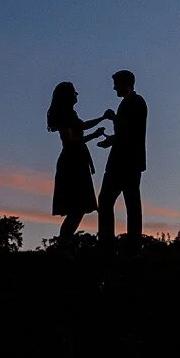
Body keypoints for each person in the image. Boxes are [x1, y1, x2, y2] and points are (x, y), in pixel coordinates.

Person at [46, 81, 106, 250]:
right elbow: (70, 140)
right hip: (72, 164)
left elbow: (82, 126)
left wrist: (101, 118)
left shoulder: (69, 114)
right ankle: (62, 247)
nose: (76, 95)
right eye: (74, 92)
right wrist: (93, 135)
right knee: (76, 209)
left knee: (78, 209)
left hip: (77, 162)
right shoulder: (65, 116)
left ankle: (63, 246)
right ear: (67, 96)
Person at [95, 69, 148, 252]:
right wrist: (115, 120)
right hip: (130, 161)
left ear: (125, 84)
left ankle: (108, 245)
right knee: (130, 203)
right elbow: (127, 129)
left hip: (123, 162)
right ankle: (131, 246)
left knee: (109, 201)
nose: (114, 87)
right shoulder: (133, 103)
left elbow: (128, 133)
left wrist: (111, 140)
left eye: (116, 84)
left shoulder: (132, 103)